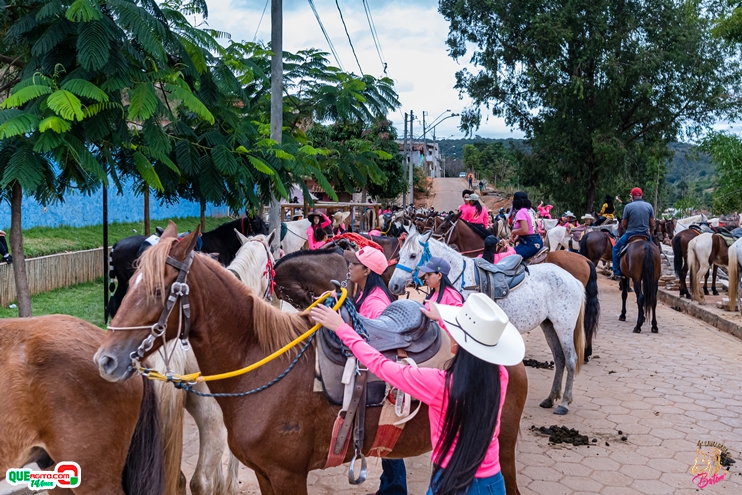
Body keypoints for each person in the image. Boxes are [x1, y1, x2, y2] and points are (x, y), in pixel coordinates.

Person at [311, 293, 525, 495]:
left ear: (457, 343)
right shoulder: (500, 375)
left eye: (454, 332)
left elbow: (381, 365)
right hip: (492, 482)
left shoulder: (439, 384)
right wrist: (441, 317)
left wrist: (342, 329)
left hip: (450, 481)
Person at [340, 246, 405, 495]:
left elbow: (378, 342)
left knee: (388, 436)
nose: (350, 266)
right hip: (371, 369)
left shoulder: (375, 302)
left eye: (355, 263)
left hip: (378, 374)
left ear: (367, 270)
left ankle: (397, 489)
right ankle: (390, 487)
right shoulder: (366, 294)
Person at [612, 187, 655, 279]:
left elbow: (624, 224)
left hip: (631, 233)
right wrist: (650, 232)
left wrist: (629, 229)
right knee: (655, 250)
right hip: (645, 234)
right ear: (641, 195)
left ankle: (616, 271)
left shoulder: (628, 206)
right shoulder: (649, 206)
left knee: (615, 248)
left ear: (632, 196)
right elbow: (652, 223)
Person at [509, 191, 543, 260]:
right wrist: (517, 238)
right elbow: (531, 229)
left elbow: (524, 230)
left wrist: (513, 232)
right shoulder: (531, 210)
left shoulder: (520, 212)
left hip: (530, 243)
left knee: (511, 259)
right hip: (537, 240)